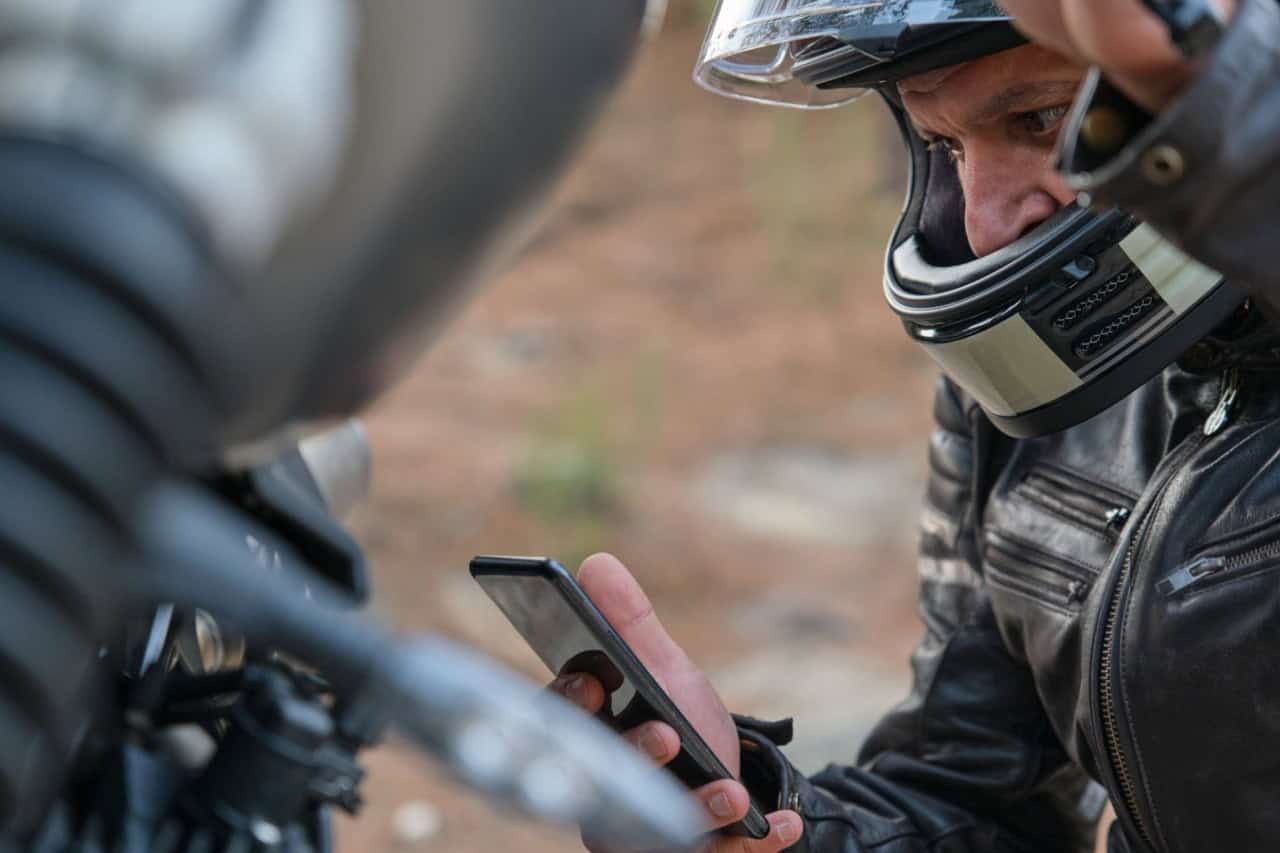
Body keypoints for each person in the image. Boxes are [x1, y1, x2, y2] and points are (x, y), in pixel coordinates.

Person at [550, 0, 1280, 850]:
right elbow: (979, 798)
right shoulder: (1044, 390)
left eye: (1040, 118)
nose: (981, 222)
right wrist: (757, 820)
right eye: (946, 145)